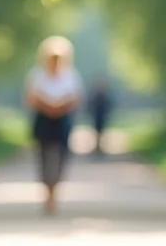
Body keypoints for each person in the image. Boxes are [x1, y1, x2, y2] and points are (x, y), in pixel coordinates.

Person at [23, 36, 83, 215]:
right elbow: (31, 98)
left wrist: (58, 107)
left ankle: (54, 192)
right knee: (43, 157)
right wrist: (49, 106)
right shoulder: (37, 75)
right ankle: (47, 194)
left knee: (61, 158)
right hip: (43, 120)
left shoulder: (71, 75)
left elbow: (76, 99)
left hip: (62, 121)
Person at [88, 76, 113, 156]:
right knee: (96, 132)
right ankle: (97, 146)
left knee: (101, 132)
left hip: (102, 117)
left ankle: (100, 146)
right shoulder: (95, 96)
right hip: (96, 117)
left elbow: (108, 105)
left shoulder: (104, 96)